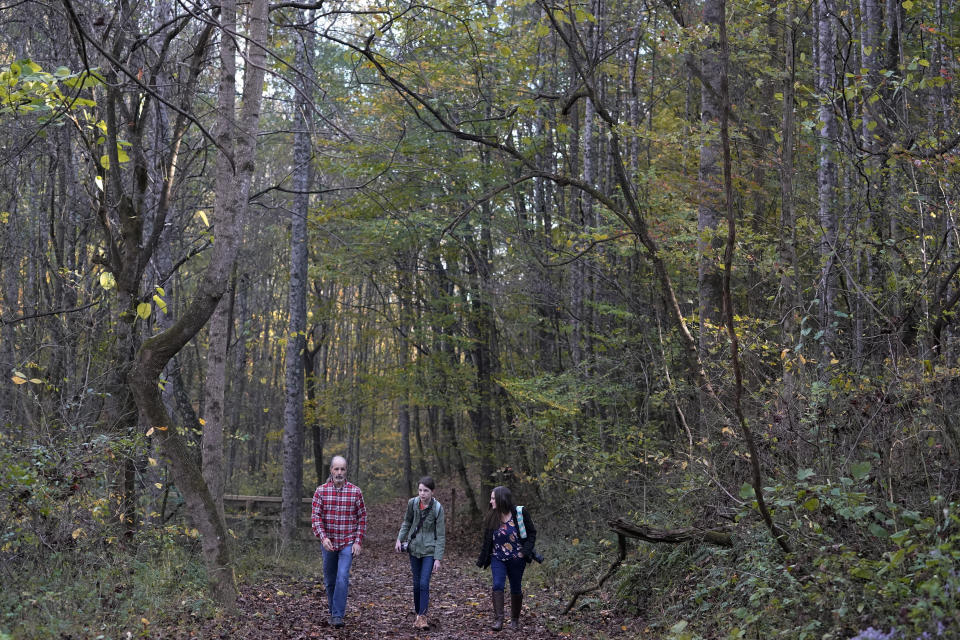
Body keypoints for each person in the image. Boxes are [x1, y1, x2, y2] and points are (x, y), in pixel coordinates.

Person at [311, 455, 367, 629]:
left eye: (342, 469)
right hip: (328, 543)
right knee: (329, 580)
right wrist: (323, 537)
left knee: (342, 577)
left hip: (347, 542)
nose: (339, 472)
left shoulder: (355, 492)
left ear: (346, 470)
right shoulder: (321, 491)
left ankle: (337, 616)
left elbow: (362, 517)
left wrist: (358, 541)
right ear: (331, 470)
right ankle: (334, 609)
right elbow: (315, 517)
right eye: (336, 469)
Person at [475, 485, 537, 632]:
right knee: (497, 585)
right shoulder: (492, 515)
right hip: (498, 558)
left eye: (493, 498)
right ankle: (499, 620)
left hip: (517, 558)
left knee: (516, 588)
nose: (490, 502)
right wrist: (483, 558)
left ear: (501, 499)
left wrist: (524, 552)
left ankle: (514, 620)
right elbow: (487, 540)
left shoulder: (520, 513)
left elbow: (532, 533)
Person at [395, 476, 446, 630]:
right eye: (420, 490)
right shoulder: (412, 503)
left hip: (429, 550)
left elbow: (441, 535)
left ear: (432, 492)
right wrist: (399, 539)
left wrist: (438, 558)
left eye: (426, 491)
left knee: (424, 583)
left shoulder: (438, 508)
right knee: (416, 584)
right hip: (414, 548)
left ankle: (423, 617)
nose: (422, 494)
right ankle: (418, 615)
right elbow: (407, 522)